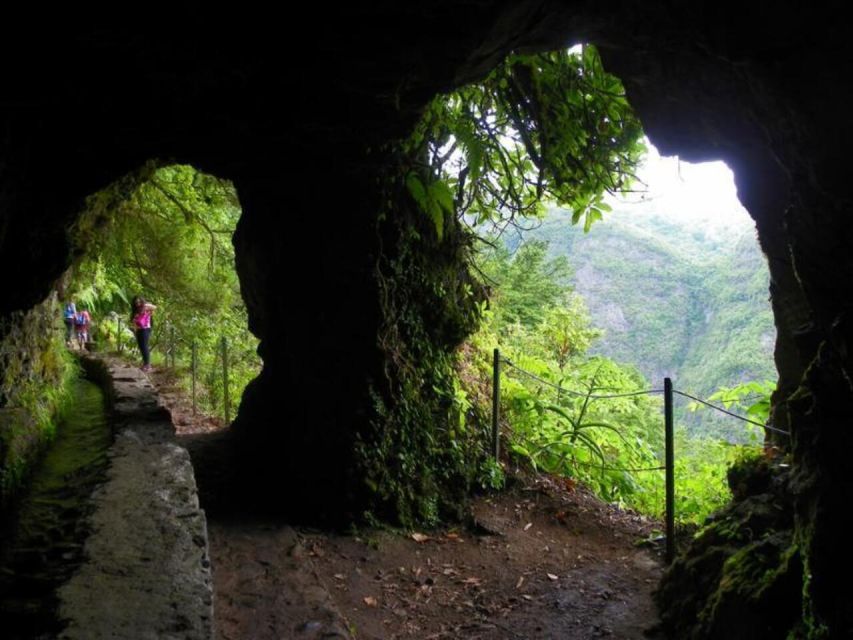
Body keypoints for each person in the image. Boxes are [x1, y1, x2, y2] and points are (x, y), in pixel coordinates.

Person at [131, 296, 157, 371]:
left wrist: (145, 305)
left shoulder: (146, 308)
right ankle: (145, 363)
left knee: (144, 346)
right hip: (139, 330)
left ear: (142, 301)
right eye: (136, 302)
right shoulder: (136, 310)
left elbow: (155, 307)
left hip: (145, 329)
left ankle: (148, 365)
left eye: (139, 302)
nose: (138, 304)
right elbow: (134, 321)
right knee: (141, 347)